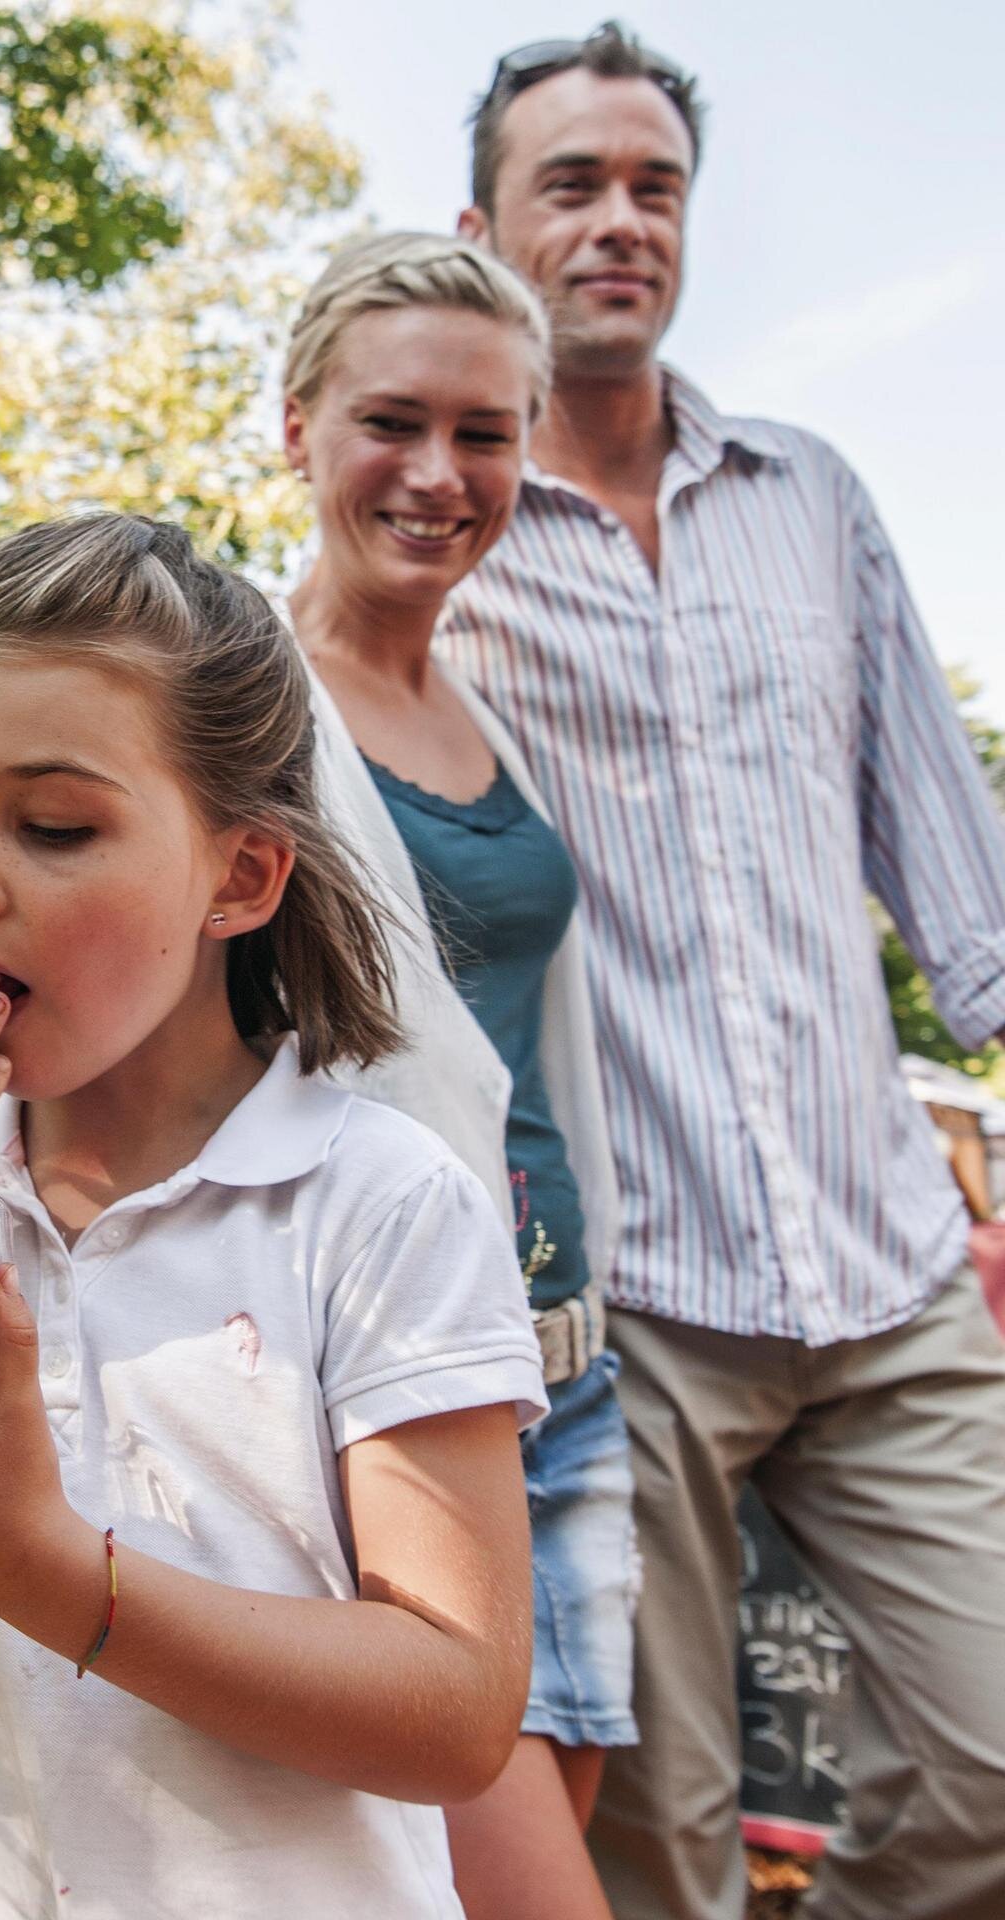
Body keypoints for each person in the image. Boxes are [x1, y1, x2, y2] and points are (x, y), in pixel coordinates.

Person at [0, 513, 550, 1918]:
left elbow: (454, 1711)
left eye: (55, 824)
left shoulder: (375, 1201)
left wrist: (34, 1567)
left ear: (241, 877)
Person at [441, 24, 1005, 1920]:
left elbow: (952, 856)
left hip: (885, 1267)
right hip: (633, 1300)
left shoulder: (813, 496)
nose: (621, 221)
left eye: (654, 186)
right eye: (573, 185)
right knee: (654, 1847)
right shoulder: (446, 531)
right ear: (486, 228)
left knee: (996, 1757)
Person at [282, 230, 632, 1920]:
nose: (439, 474)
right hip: (404, 1399)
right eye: (391, 422)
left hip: (572, 1368)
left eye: (485, 435)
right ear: (297, 427)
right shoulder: (237, 711)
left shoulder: (500, 712)